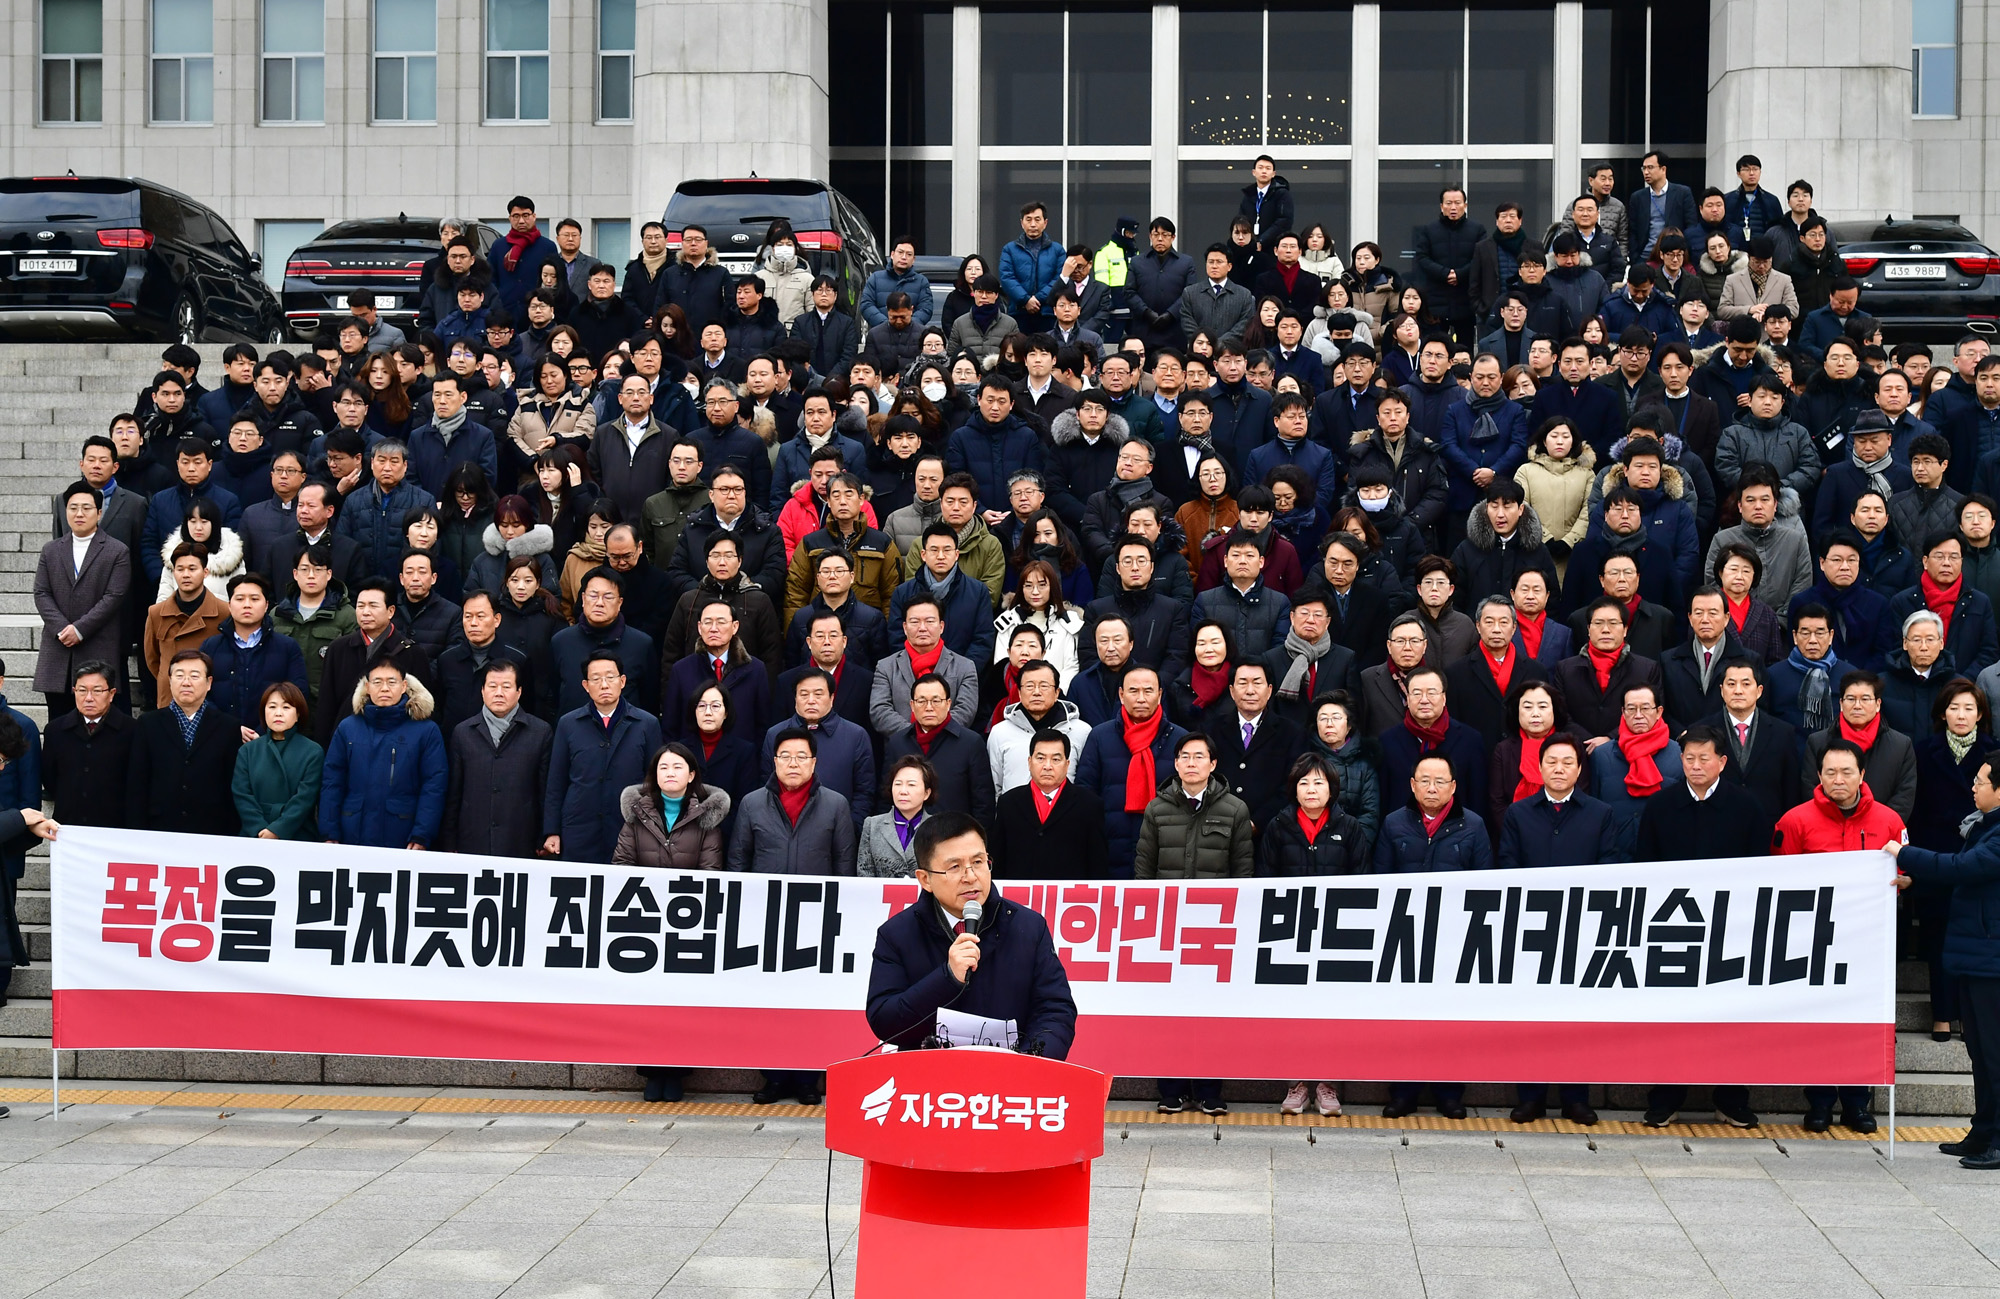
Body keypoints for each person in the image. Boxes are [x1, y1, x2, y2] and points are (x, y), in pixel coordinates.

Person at [866, 807, 1078, 1062]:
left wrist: (1027, 1064)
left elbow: (1055, 1011)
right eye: (954, 867)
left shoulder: (1029, 927)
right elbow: (886, 1022)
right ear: (925, 879)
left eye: (978, 862)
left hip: (1012, 1074)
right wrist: (947, 977)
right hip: (928, 1076)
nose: (970, 876)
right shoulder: (896, 935)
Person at [1775, 738, 1906, 1131]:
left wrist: (1905, 880)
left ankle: (1857, 1104)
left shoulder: (1889, 821)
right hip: (1814, 943)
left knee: (1861, 1021)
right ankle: (1818, 1103)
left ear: (1862, 775)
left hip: (1867, 941)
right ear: (1818, 775)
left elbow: (1906, 870)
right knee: (1818, 1023)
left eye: (1847, 772)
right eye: (1830, 772)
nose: (1838, 780)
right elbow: (1779, 879)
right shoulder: (1794, 821)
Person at [1885, 753, 2000, 1167]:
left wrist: (1905, 852)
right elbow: (1961, 875)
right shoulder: (1985, 826)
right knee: (1979, 1052)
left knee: (1993, 1053)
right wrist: (1915, 878)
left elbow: (1963, 867)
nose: (1974, 786)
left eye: (1981, 781)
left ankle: (1997, 1139)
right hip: (1976, 956)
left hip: (1991, 960)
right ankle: (1983, 1131)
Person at [1499, 732, 1620, 1123]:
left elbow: (1609, 866)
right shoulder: (1519, 813)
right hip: (1532, 929)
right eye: (1551, 762)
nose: (1559, 769)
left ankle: (1575, 1098)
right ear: (1539, 767)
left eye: (1568, 762)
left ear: (1579, 769)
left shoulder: (1600, 813)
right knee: (1531, 1017)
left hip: (1581, 929)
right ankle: (1531, 1097)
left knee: (1576, 1018)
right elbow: (1508, 866)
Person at [1137, 730, 1252, 1112]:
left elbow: (1243, 872)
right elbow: (1144, 870)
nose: (1191, 763)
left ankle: (1209, 1089)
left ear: (1213, 764)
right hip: (1168, 927)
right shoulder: (1157, 809)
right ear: (1175, 763)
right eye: (1184, 756)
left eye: (1199, 757)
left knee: (1211, 1011)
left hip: (1214, 929)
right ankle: (1170, 1089)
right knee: (1168, 1010)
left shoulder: (1234, 810)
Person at [1375, 753, 1490, 1118]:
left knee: (1450, 1019)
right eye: (1424, 780)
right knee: (1404, 1019)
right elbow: (1380, 880)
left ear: (1453, 786)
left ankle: (1449, 1094)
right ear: (1412, 785)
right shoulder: (1394, 823)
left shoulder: (1473, 825)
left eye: (1440, 781)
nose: (1431, 788)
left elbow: (1485, 883)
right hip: (1404, 936)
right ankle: (1403, 1093)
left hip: (1454, 938)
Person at [544, 651, 663, 863]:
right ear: (585, 685)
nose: (604, 685)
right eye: (596, 679)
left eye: (610, 677)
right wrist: (552, 830)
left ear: (622, 681)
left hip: (630, 827)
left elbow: (655, 782)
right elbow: (556, 782)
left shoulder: (646, 724)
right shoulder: (568, 724)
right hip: (579, 828)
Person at [34, 482, 133, 718]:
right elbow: (41, 593)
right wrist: (62, 628)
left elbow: (114, 596)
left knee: (97, 721)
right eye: (73, 508)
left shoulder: (117, 551)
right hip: (58, 648)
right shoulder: (51, 550)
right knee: (58, 721)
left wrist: (79, 629)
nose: (79, 513)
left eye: (86, 508)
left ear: (99, 513)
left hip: (97, 645)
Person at [439, 658, 553, 858]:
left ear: (519, 692)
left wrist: (543, 836)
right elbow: (454, 793)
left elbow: (545, 792)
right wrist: (449, 840)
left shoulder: (540, 732)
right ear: (482, 691)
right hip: (472, 838)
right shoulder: (463, 732)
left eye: (506, 686)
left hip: (521, 839)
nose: (499, 693)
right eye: (492, 686)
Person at [127, 650, 245, 834]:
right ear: (170, 680)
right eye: (179, 675)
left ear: (209, 683)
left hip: (212, 830)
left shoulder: (228, 727)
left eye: (194, 676)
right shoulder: (148, 724)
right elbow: (137, 783)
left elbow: (233, 786)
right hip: (159, 829)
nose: (186, 682)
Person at [761, 666, 874, 829]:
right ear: (795, 698)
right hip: (783, 830)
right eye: (804, 694)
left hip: (838, 830)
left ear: (832, 697)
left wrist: (849, 829)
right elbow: (766, 788)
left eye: (818, 694)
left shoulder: (856, 735)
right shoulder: (775, 734)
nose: (811, 700)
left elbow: (864, 791)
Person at [990, 728, 1109, 880]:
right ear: (1029, 762)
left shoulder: (1089, 804)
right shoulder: (1008, 803)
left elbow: (1098, 864)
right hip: (1021, 892)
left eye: (1056, 759)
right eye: (1040, 758)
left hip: (1070, 893)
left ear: (1067, 764)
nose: (1047, 766)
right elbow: (998, 860)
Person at [1551, 597, 1665, 738]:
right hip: (1577, 746)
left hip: (1626, 746)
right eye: (1598, 623)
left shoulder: (1647, 669)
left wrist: (1610, 739)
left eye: (1613, 623)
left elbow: (1652, 713)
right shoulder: (1565, 669)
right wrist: (1589, 742)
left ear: (1625, 630)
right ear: (1588, 629)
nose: (1605, 630)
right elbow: (1560, 715)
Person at [40, 661, 132, 828]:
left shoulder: (131, 730)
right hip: (68, 824)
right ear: (74, 691)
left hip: (116, 826)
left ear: (111, 694)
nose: (89, 698)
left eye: (97, 691)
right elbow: (50, 778)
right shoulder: (55, 730)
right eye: (82, 690)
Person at [231, 681, 323, 840]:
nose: (278, 713)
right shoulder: (248, 750)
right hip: (254, 835)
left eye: (286, 707)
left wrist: (277, 830)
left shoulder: (313, 752)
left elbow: (305, 799)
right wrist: (259, 829)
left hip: (297, 834)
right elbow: (242, 794)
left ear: (298, 714)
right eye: (272, 707)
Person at [857, 753, 933, 878]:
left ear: (926, 793)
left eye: (911, 785)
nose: (903, 791)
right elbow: (864, 873)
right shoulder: (872, 825)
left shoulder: (937, 828)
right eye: (898, 784)